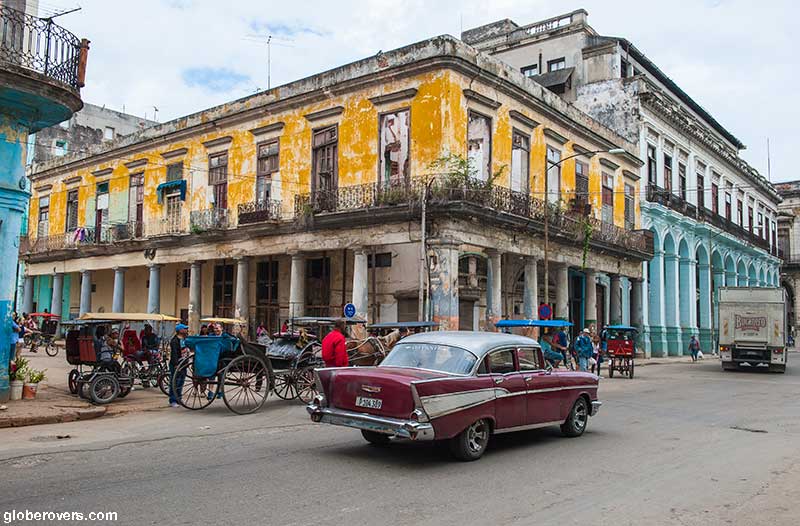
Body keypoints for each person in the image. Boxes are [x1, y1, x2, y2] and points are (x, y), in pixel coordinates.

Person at [168, 323, 189, 408]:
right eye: (184, 329)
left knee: (181, 382)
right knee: (174, 382)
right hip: (176, 364)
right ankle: (173, 400)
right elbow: (174, 354)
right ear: (180, 330)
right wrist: (176, 364)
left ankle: (179, 398)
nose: (186, 330)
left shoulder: (185, 339)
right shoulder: (175, 341)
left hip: (184, 363)